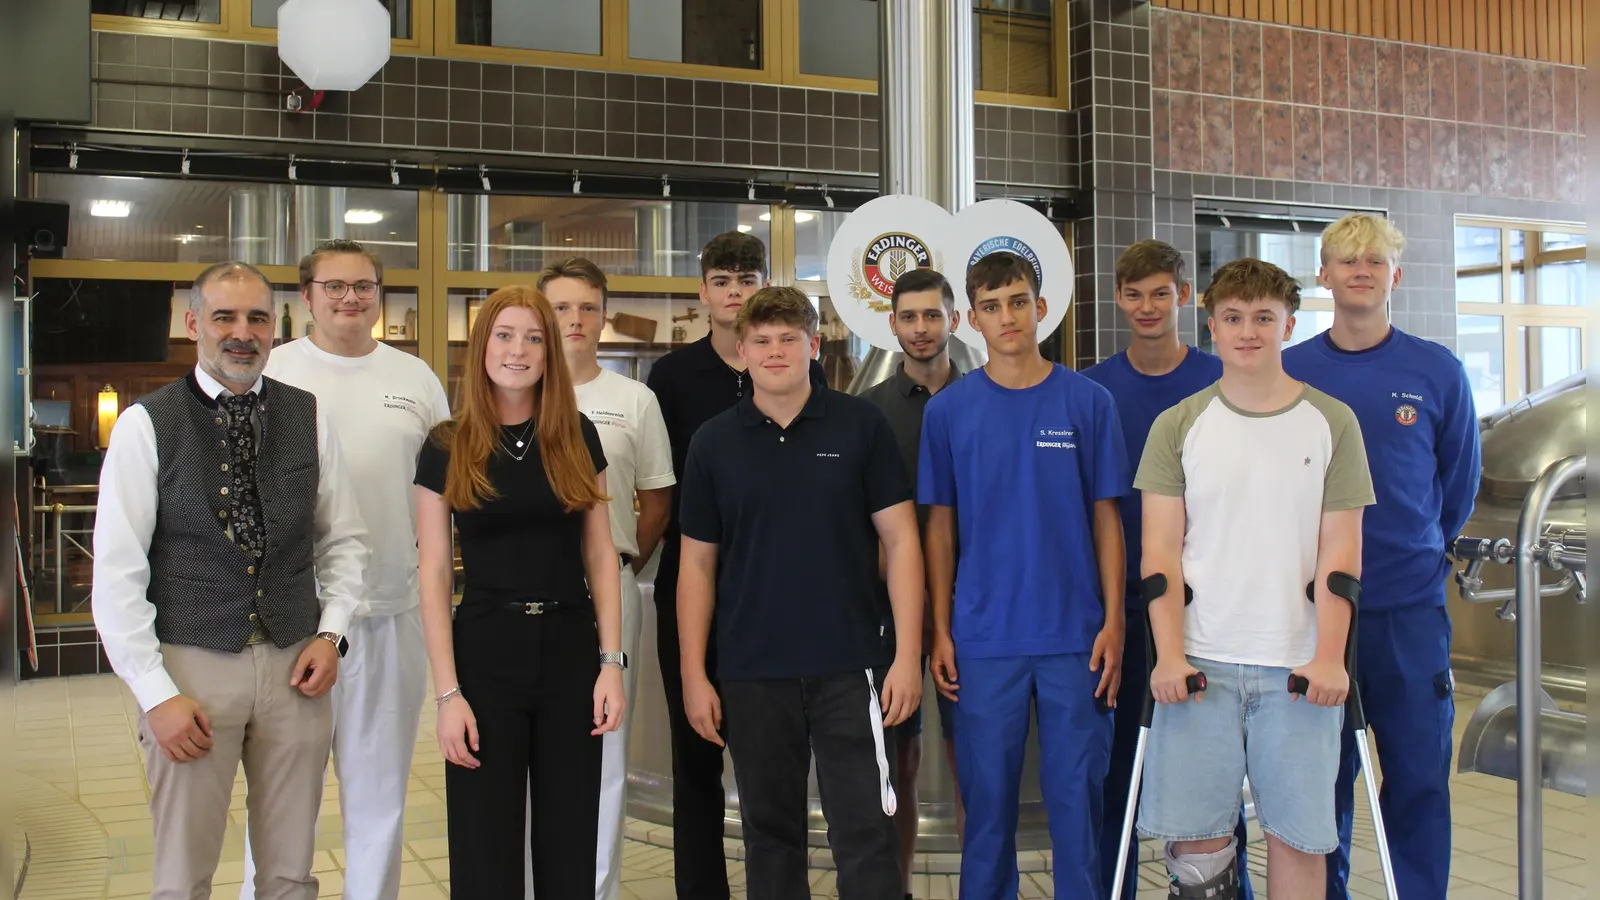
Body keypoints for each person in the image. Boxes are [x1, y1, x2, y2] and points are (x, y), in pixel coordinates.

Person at [92, 260, 368, 899]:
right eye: (224, 317)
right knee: (184, 874)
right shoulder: (146, 424)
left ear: (275, 328)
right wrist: (156, 694)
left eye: (257, 318)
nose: (242, 332)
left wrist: (332, 636)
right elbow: (115, 576)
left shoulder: (309, 416)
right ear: (193, 325)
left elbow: (345, 540)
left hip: (296, 664)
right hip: (191, 669)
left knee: (290, 872)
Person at [1135, 258, 1374, 900]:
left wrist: (1329, 657)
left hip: (1297, 672)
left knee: (1298, 840)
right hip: (1199, 666)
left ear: (1288, 325)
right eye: (1234, 318)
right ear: (1211, 326)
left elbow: (1341, 557)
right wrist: (1167, 656)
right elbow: (1158, 557)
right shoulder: (1178, 425)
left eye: (1263, 318)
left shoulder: (1332, 422)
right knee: (1197, 850)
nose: (1248, 331)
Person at [677, 285, 925, 900]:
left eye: (789, 339)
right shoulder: (713, 442)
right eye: (761, 341)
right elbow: (696, 568)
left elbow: (902, 544)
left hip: (852, 668)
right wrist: (693, 675)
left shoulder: (860, 424)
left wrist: (905, 657)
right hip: (753, 672)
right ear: (742, 350)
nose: (775, 351)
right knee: (770, 835)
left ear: (813, 346)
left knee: (866, 833)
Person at [232, 241, 450, 900]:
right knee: (278, 794)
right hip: (288, 624)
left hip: (390, 613)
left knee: (379, 792)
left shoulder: (415, 380)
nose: (350, 298)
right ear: (306, 297)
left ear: (380, 293)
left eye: (363, 286)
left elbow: (447, 489)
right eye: (335, 287)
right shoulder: (272, 372)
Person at [1282, 214, 1480, 900]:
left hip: (1406, 614)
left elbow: (1456, 488)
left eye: (1374, 260)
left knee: (1420, 777)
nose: (1360, 270)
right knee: (1319, 782)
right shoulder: (1292, 372)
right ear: (1323, 275)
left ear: (1396, 275)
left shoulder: (1435, 371)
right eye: (1345, 260)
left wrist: (1411, 550)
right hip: (1311, 612)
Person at [920, 251, 1127, 900]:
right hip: (983, 641)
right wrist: (940, 629)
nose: (1006, 316)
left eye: (1017, 301)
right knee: (986, 816)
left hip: (1076, 640)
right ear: (971, 319)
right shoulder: (948, 413)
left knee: (1077, 811)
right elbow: (939, 530)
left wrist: (1116, 622)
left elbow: (1107, 521)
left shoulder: (1089, 402)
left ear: (1041, 307)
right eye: (991, 305)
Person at [413, 286, 627, 897]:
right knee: (484, 846)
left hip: (568, 650)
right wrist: (447, 694)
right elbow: (432, 571)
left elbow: (599, 553)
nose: (519, 350)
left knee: (568, 837)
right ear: (482, 347)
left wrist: (610, 664)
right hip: (484, 652)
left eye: (534, 337)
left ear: (550, 353)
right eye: (505, 335)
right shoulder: (446, 443)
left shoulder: (576, 434)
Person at [642, 230, 826, 900]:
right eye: (722, 280)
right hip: (691, 590)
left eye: (746, 279)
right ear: (704, 293)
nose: (734, 292)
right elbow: (656, 483)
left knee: (770, 767)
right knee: (695, 760)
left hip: (775, 598)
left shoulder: (800, 367)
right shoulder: (671, 377)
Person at [1082, 240, 1255, 900]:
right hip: (1123, 609)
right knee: (1116, 772)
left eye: (1161, 293)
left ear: (1185, 296)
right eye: (1135, 294)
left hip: (1209, 609)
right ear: (1119, 300)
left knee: (1213, 772)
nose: (1148, 306)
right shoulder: (1094, 388)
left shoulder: (1223, 380)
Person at [528, 257, 675, 900]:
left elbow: (657, 499)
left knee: (604, 754)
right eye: (560, 307)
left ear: (604, 316)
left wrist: (618, 566)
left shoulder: (633, 400)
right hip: (525, 599)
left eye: (587, 307)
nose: (574, 320)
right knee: (528, 755)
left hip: (606, 595)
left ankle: (598, 889)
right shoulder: (512, 390)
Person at [858, 267, 966, 894]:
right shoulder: (865, 414)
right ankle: (894, 885)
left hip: (971, 607)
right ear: (893, 324)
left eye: (933, 315)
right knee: (893, 760)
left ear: (953, 320)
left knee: (970, 758)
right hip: (883, 609)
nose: (921, 329)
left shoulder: (983, 398)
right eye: (909, 317)